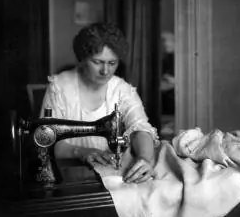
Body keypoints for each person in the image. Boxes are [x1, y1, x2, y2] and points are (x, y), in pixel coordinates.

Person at [40, 22, 159, 184]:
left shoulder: (122, 90)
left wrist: (145, 159)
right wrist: (81, 152)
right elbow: (50, 140)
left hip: (105, 174)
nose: (105, 71)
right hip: (65, 175)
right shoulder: (59, 87)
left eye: (112, 63)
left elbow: (140, 127)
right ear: (83, 58)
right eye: (97, 62)